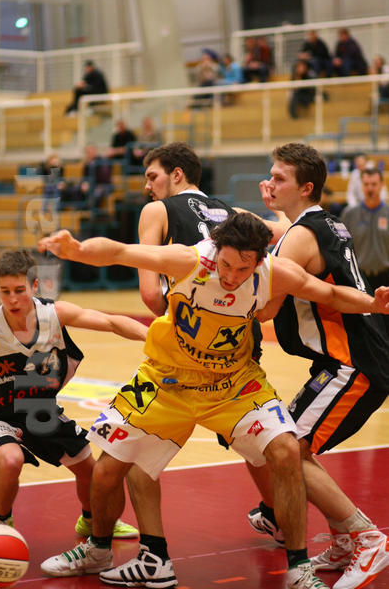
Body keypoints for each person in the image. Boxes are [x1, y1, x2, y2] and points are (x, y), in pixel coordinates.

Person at [38, 216, 389, 588]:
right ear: (217, 251)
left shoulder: (273, 272)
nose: (232, 276)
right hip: (167, 379)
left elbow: (330, 295)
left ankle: (298, 570)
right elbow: (120, 252)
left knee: (287, 450)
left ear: (259, 261)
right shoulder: (189, 261)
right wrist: (77, 249)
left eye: (243, 269)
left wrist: (373, 303)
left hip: (231, 384)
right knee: (108, 470)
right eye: (226, 264)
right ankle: (102, 551)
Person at [119, 141, 290, 587]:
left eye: (153, 176)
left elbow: (150, 294)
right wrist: (278, 207)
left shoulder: (156, 211)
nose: (148, 186)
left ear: (176, 174)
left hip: (190, 347)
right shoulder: (231, 211)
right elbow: (283, 235)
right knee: (250, 437)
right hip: (240, 338)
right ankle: (279, 518)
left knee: (140, 451)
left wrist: (186, 323)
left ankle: (134, 549)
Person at [245, 143, 389, 589]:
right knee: (291, 448)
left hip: (352, 363)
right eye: (270, 175)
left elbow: (265, 309)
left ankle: (367, 538)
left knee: (290, 451)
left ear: (305, 188)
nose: (270, 183)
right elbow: (280, 232)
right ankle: (345, 539)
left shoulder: (300, 237)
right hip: (342, 360)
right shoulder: (324, 223)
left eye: (280, 178)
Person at [0, 249, 147, 539]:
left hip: (38, 409)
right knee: (11, 461)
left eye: (19, 290)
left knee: (91, 470)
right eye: (5, 291)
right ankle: (2, 522)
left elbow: (111, 322)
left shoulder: (54, 315)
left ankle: (91, 521)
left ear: (35, 285)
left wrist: (153, 336)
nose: (12, 299)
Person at [341, 167, 389, 335]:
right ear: (362, 185)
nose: (370, 188)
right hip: (360, 280)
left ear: (381, 185)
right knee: (364, 329)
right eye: (366, 184)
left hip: (385, 279)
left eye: (374, 184)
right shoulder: (349, 215)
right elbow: (342, 248)